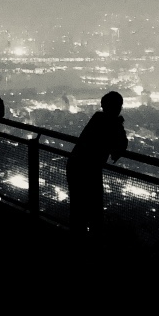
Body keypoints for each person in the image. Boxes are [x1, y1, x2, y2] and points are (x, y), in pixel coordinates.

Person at [67, 91, 128, 234]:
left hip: (77, 166)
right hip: (89, 169)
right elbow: (121, 144)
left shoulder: (98, 118)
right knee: (94, 209)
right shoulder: (111, 123)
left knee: (78, 208)